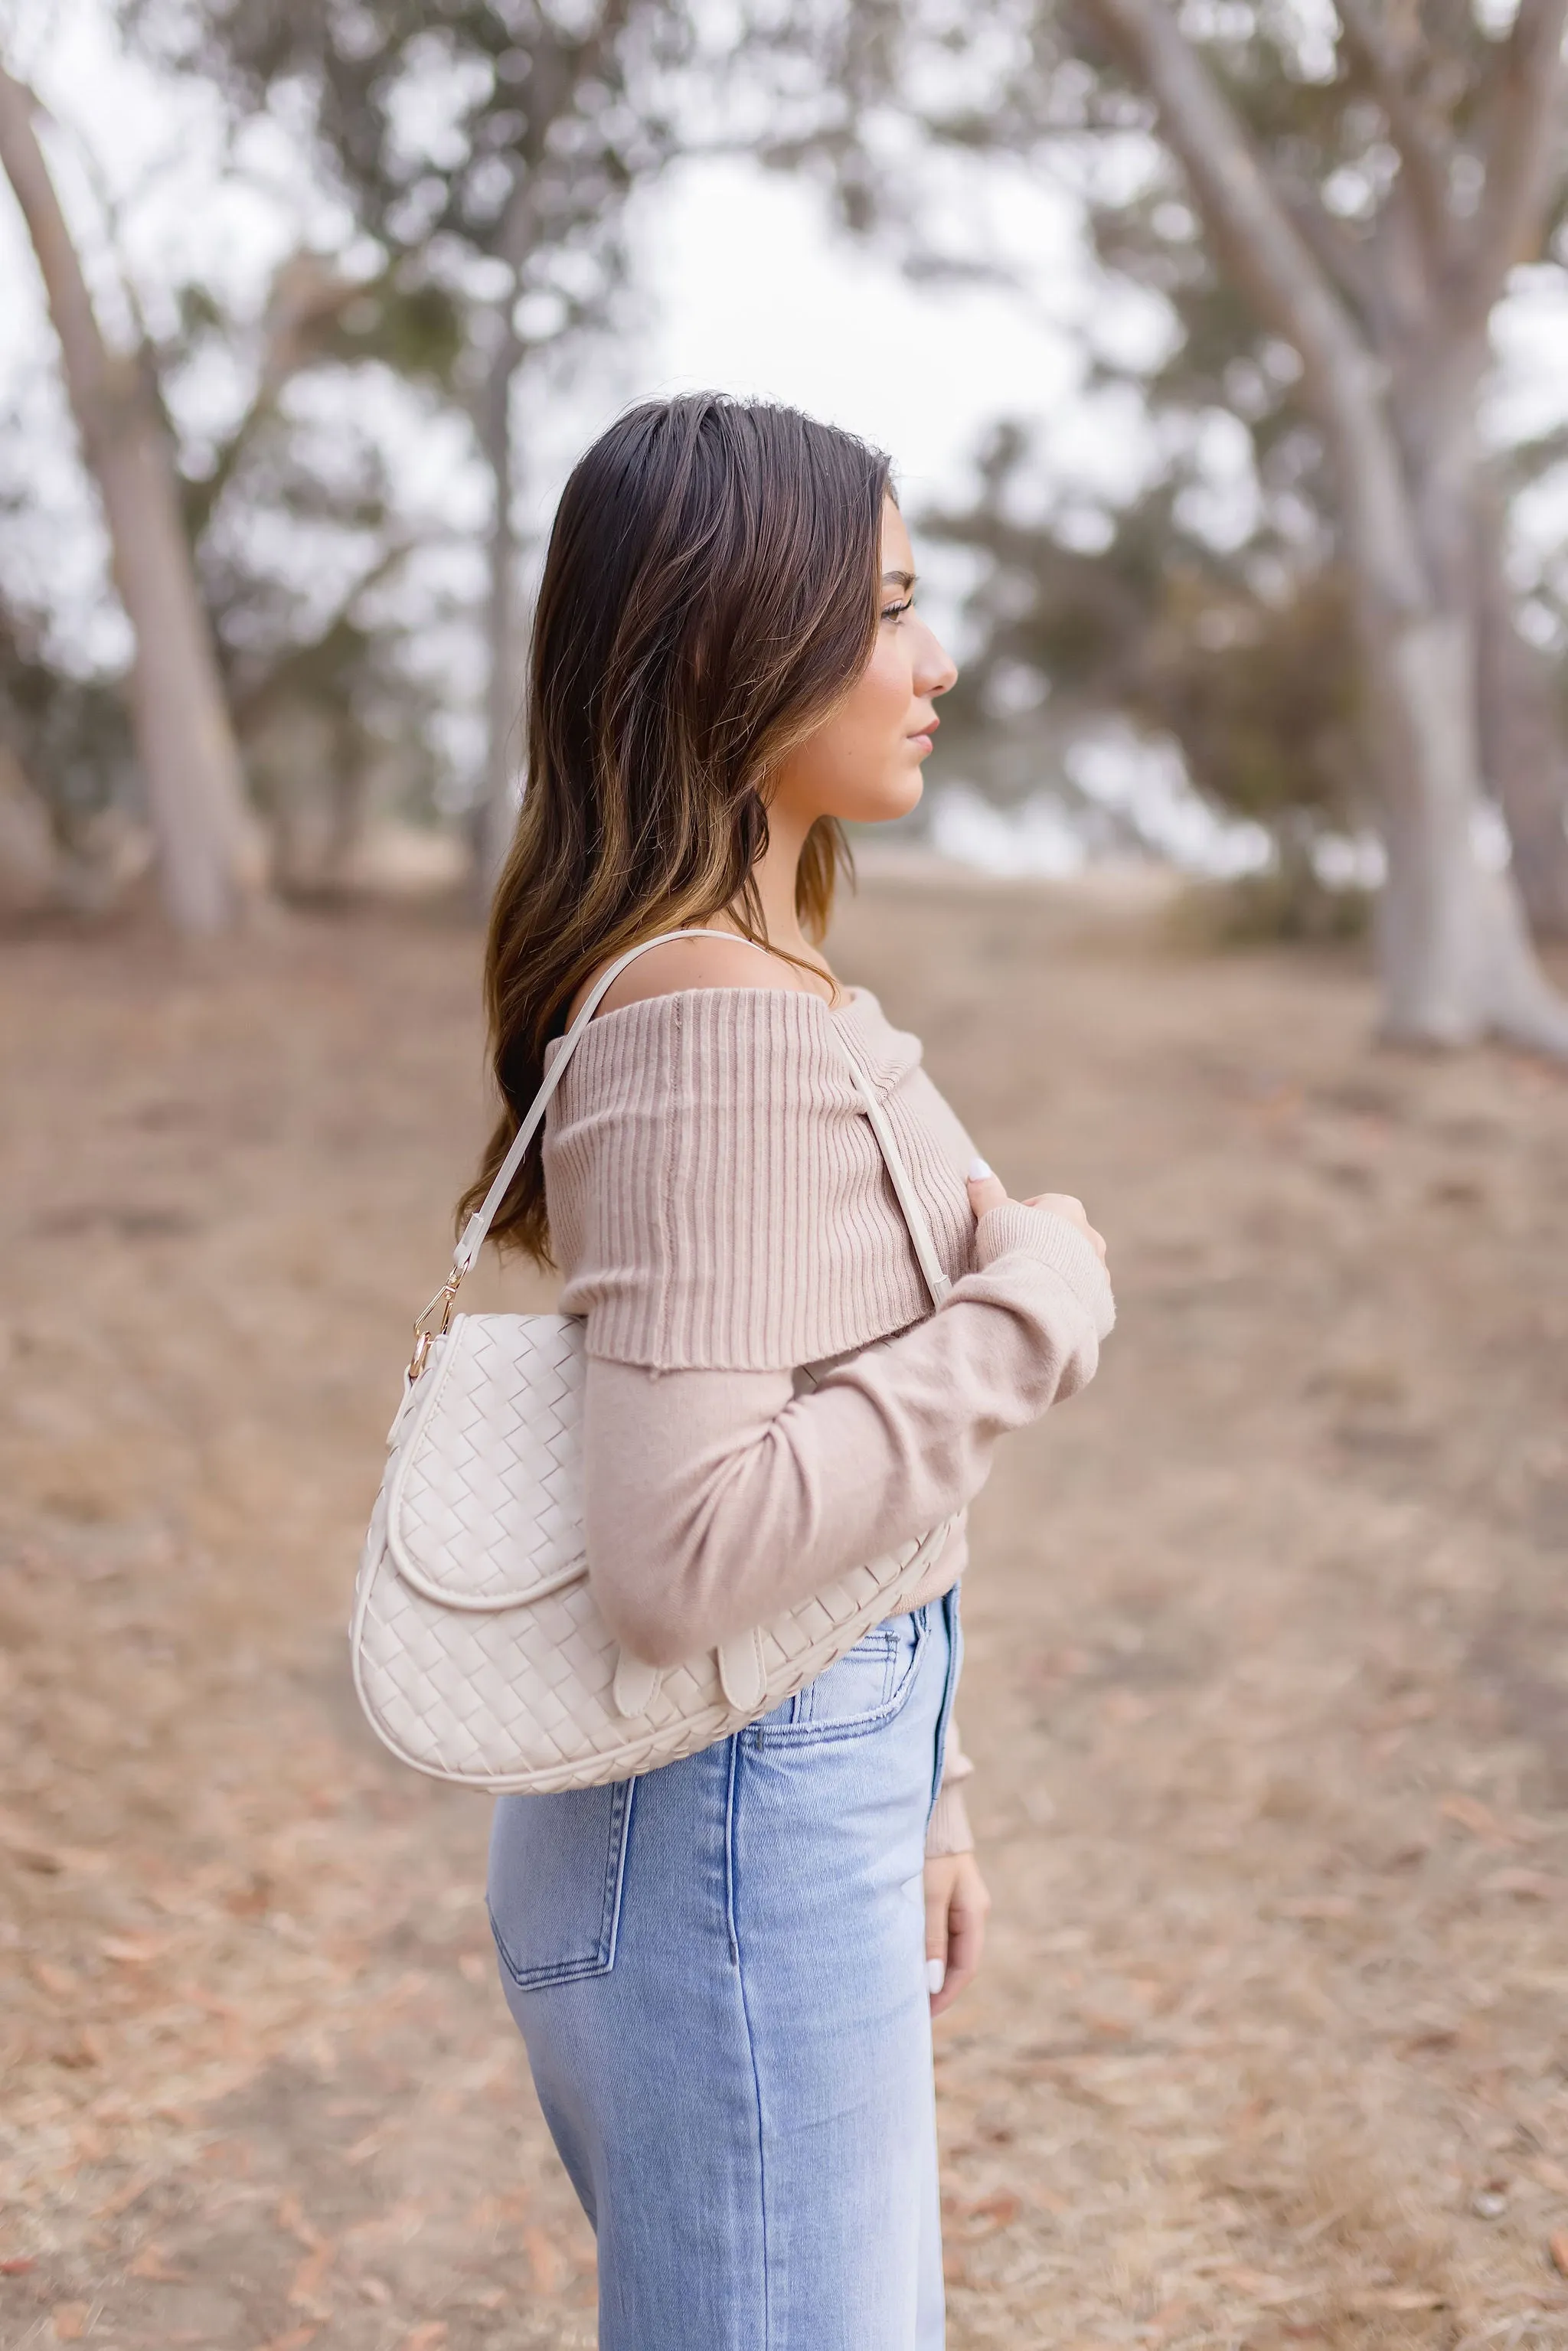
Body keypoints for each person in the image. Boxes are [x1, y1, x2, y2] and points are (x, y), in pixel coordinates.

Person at [465, 393, 1113, 2350]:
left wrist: (933, 1788)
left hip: (776, 1796)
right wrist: (1037, 1308)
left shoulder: (741, 977)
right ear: (729, 645)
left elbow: (811, 1425)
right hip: (734, 1823)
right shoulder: (714, 1024)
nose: (932, 662)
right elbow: (682, 1555)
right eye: (887, 610)